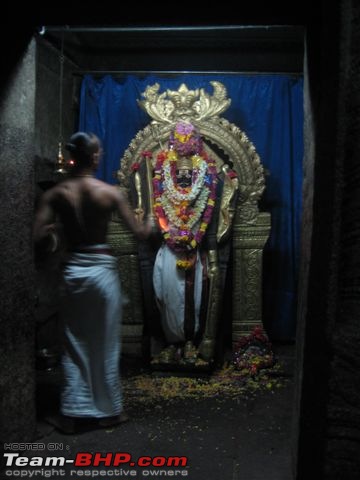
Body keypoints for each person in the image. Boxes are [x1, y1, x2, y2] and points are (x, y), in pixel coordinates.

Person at [33, 131, 153, 433]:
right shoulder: (109, 193)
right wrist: (150, 222)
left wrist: (53, 233)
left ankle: (74, 413)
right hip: (102, 272)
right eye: (98, 152)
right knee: (105, 343)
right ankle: (109, 412)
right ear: (94, 157)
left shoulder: (56, 195)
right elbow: (140, 233)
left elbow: (37, 237)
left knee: (75, 343)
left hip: (75, 270)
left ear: (73, 156)